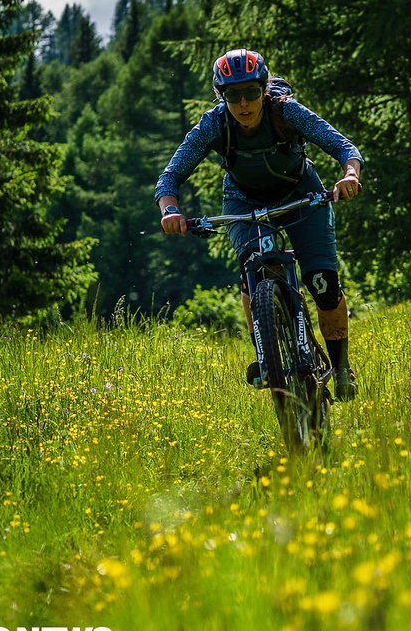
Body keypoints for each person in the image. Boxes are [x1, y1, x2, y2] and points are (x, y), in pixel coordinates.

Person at [155, 48, 362, 400]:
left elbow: (343, 147)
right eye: (233, 96)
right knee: (253, 270)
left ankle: (341, 368)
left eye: (251, 92)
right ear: (222, 96)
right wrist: (169, 211)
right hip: (244, 200)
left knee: (322, 282)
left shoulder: (287, 111)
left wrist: (350, 175)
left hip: (302, 194)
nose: (244, 104)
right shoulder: (213, 124)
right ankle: (267, 355)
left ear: (264, 89)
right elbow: (171, 175)